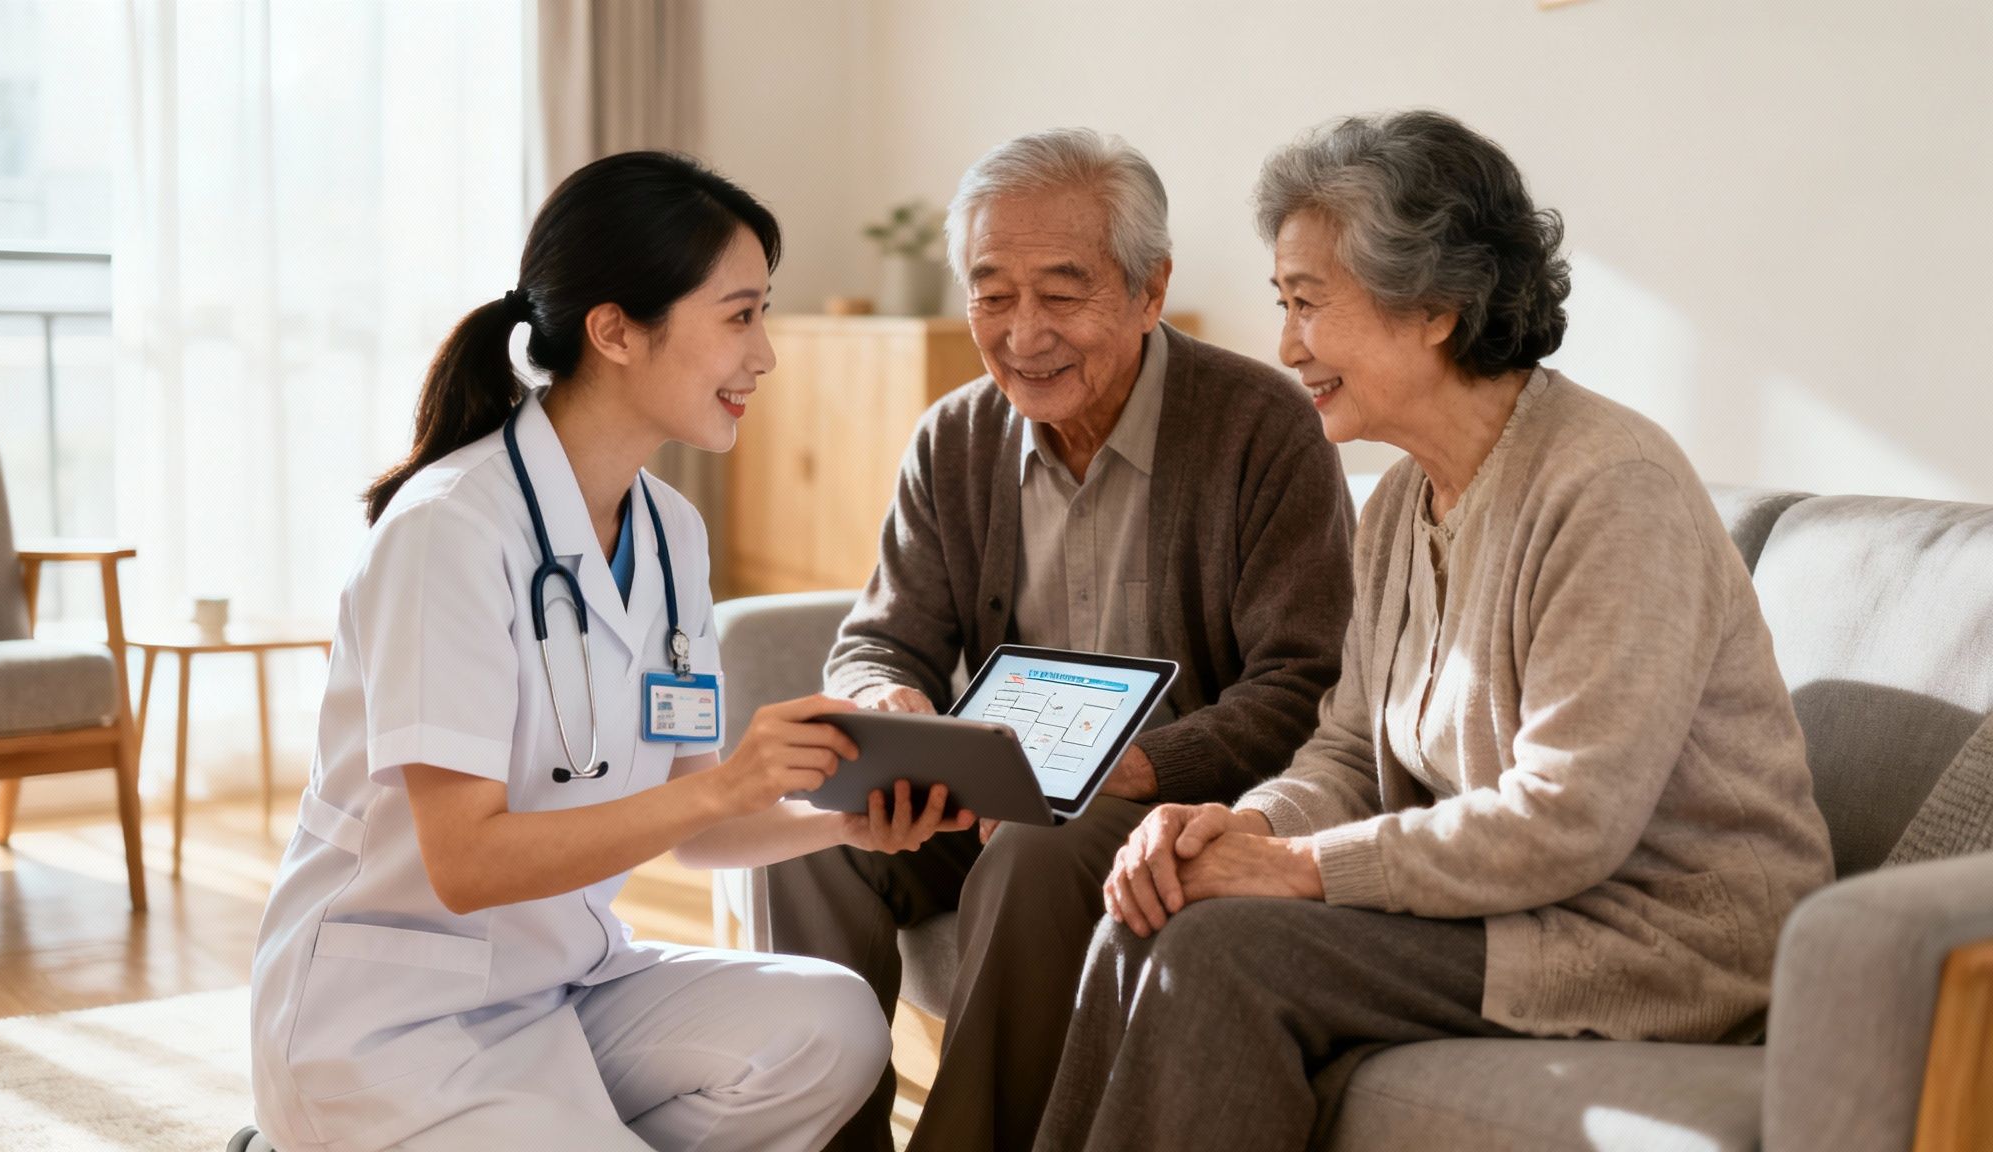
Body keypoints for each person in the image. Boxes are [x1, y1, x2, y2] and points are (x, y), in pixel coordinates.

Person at [1040, 110, 1837, 1151]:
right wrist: (1246, 828)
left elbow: (1565, 821)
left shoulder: (1608, 488)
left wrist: (1301, 870)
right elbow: (1345, 750)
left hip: (1655, 937)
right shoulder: (1395, 507)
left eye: (1308, 305)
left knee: (1226, 951)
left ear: (1433, 309)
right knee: (1145, 916)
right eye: (1283, 305)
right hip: (1502, 909)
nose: (1285, 347)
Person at [245, 152, 973, 1152]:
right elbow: (462, 863)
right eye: (739, 315)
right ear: (615, 330)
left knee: (830, 1025)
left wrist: (839, 827)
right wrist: (724, 789)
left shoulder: (670, 533)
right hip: (389, 1025)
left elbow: (693, 824)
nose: (763, 355)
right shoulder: (449, 531)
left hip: (564, 992)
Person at [764, 128, 1355, 1152]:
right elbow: (881, 638)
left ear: (1148, 290)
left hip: (1159, 799)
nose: (1020, 332)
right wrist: (888, 700)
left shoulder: (1261, 425)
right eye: (991, 293)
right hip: (989, 786)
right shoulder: (954, 435)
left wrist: (1141, 764)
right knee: (809, 835)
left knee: (1042, 846)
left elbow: (1306, 681)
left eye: (1061, 292)